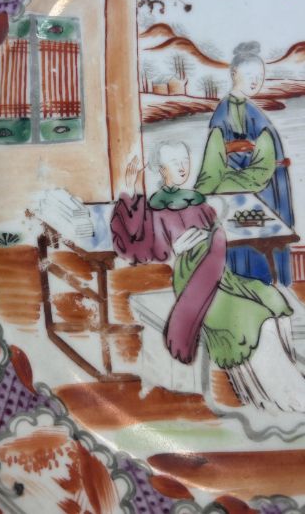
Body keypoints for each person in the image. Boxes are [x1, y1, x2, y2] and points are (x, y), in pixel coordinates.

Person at [111, 142, 305, 412]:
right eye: (174, 162)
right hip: (193, 279)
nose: (182, 167)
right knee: (254, 319)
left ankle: (283, 386)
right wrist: (131, 190)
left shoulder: (196, 200)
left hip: (221, 273)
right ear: (161, 169)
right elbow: (139, 246)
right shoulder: (156, 207)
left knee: (271, 302)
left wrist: (215, 235)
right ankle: (279, 396)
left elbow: (214, 228)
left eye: (184, 160)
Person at [195, 42, 293, 285]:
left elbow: (265, 164)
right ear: (233, 74)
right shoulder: (223, 113)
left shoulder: (254, 113)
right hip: (247, 194)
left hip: (268, 189)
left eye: (259, 75)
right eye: (249, 74)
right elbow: (213, 166)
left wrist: (229, 178)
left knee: (265, 244)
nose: (255, 81)